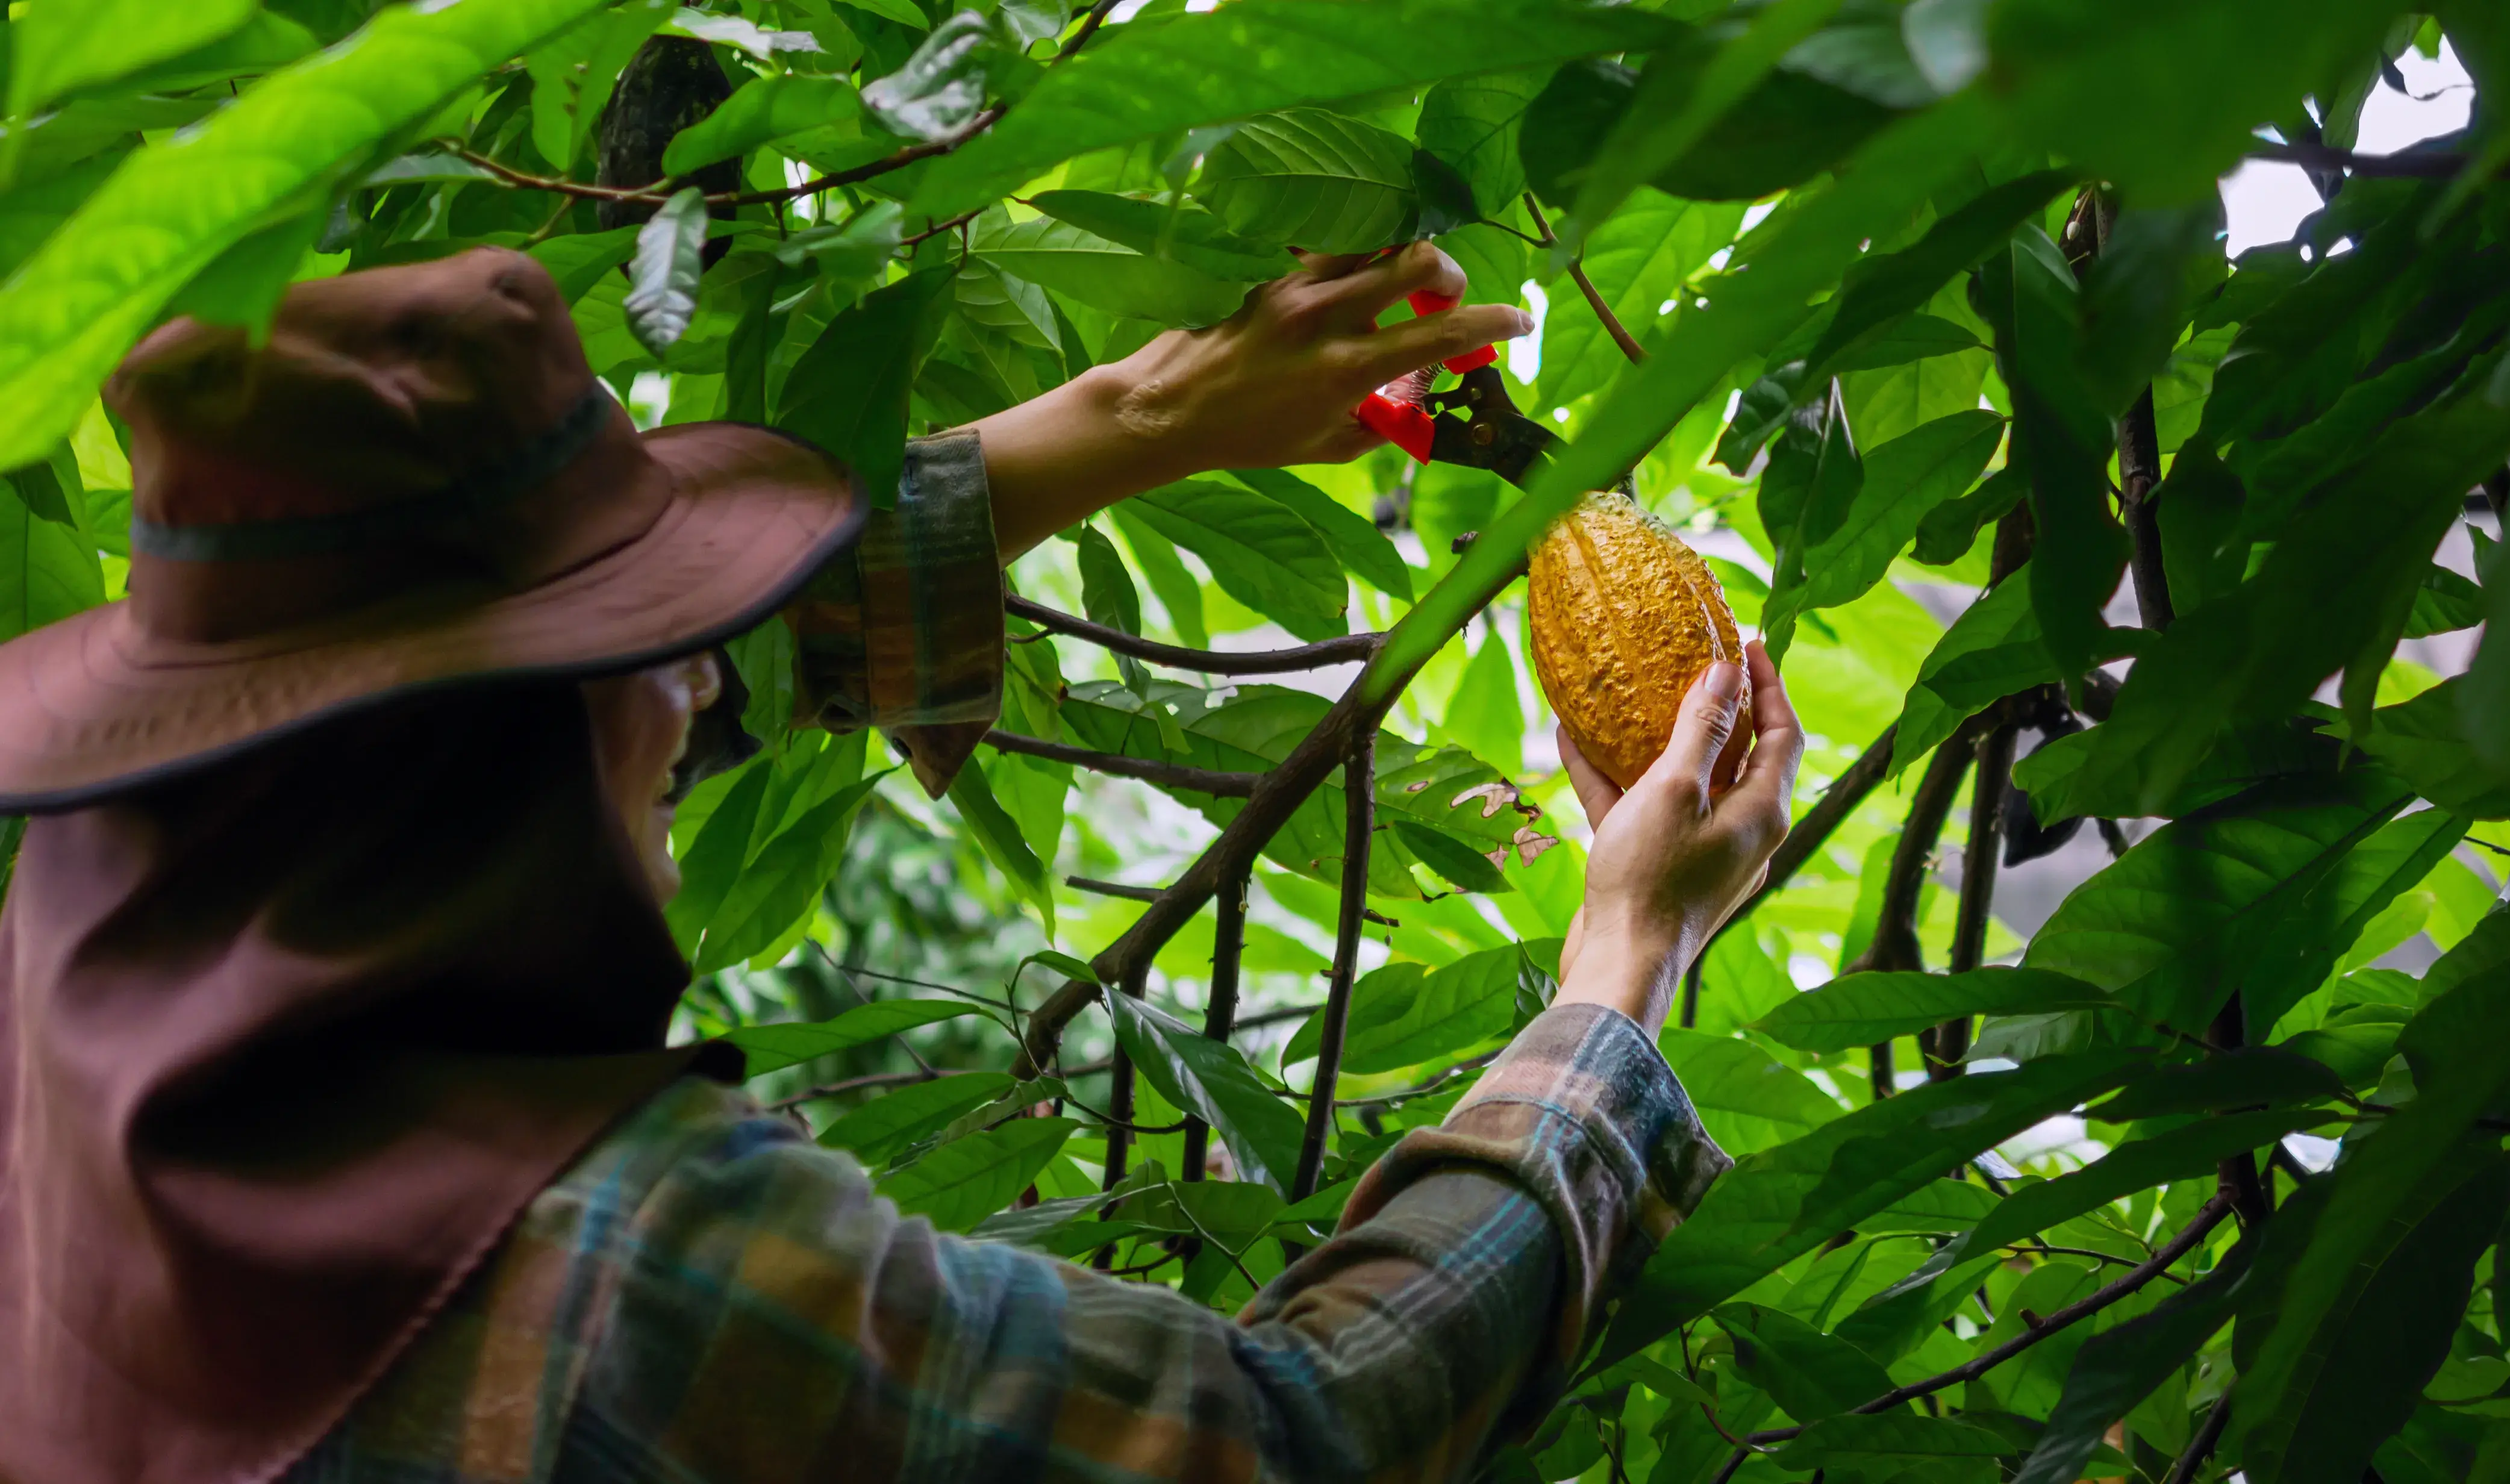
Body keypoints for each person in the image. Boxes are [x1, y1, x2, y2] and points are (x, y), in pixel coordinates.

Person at [0, 240, 1801, 1484]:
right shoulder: (623, 1267)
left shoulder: (110, 907)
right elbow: (1296, 1439)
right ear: (560, 717)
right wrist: (1619, 963)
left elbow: (619, 695)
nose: (699, 676)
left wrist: (1130, 428)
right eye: (648, 638)